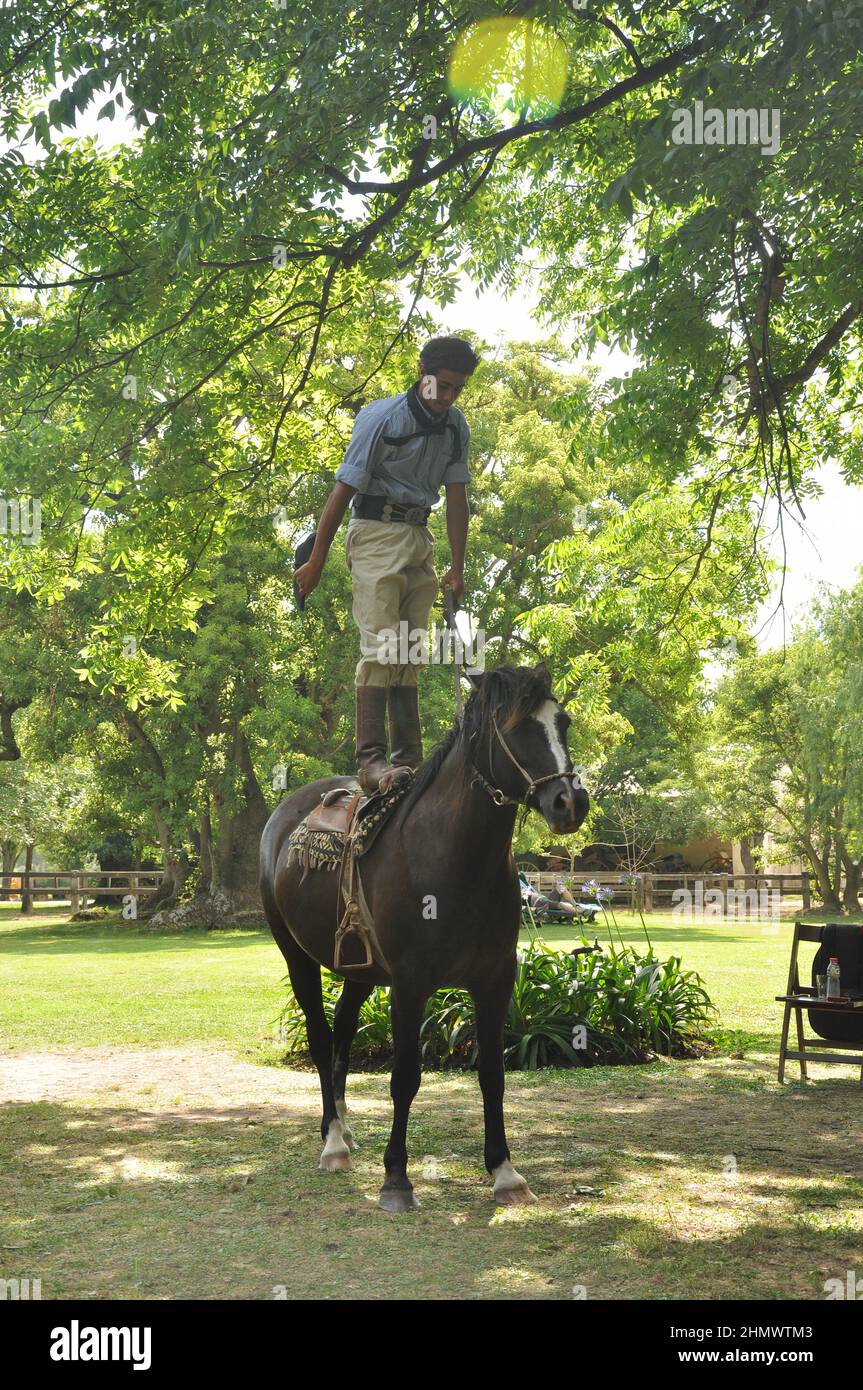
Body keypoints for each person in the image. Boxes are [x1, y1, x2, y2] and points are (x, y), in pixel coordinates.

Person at [294, 337, 479, 793]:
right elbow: (343, 490)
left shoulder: (457, 428)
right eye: (443, 385)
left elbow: (457, 497)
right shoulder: (382, 417)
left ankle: (408, 761)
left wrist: (457, 566)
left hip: (421, 536)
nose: (449, 397)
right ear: (423, 372)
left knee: (412, 650)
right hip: (375, 531)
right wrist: (316, 559)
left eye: (458, 389)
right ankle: (371, 762)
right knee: (381, 648)